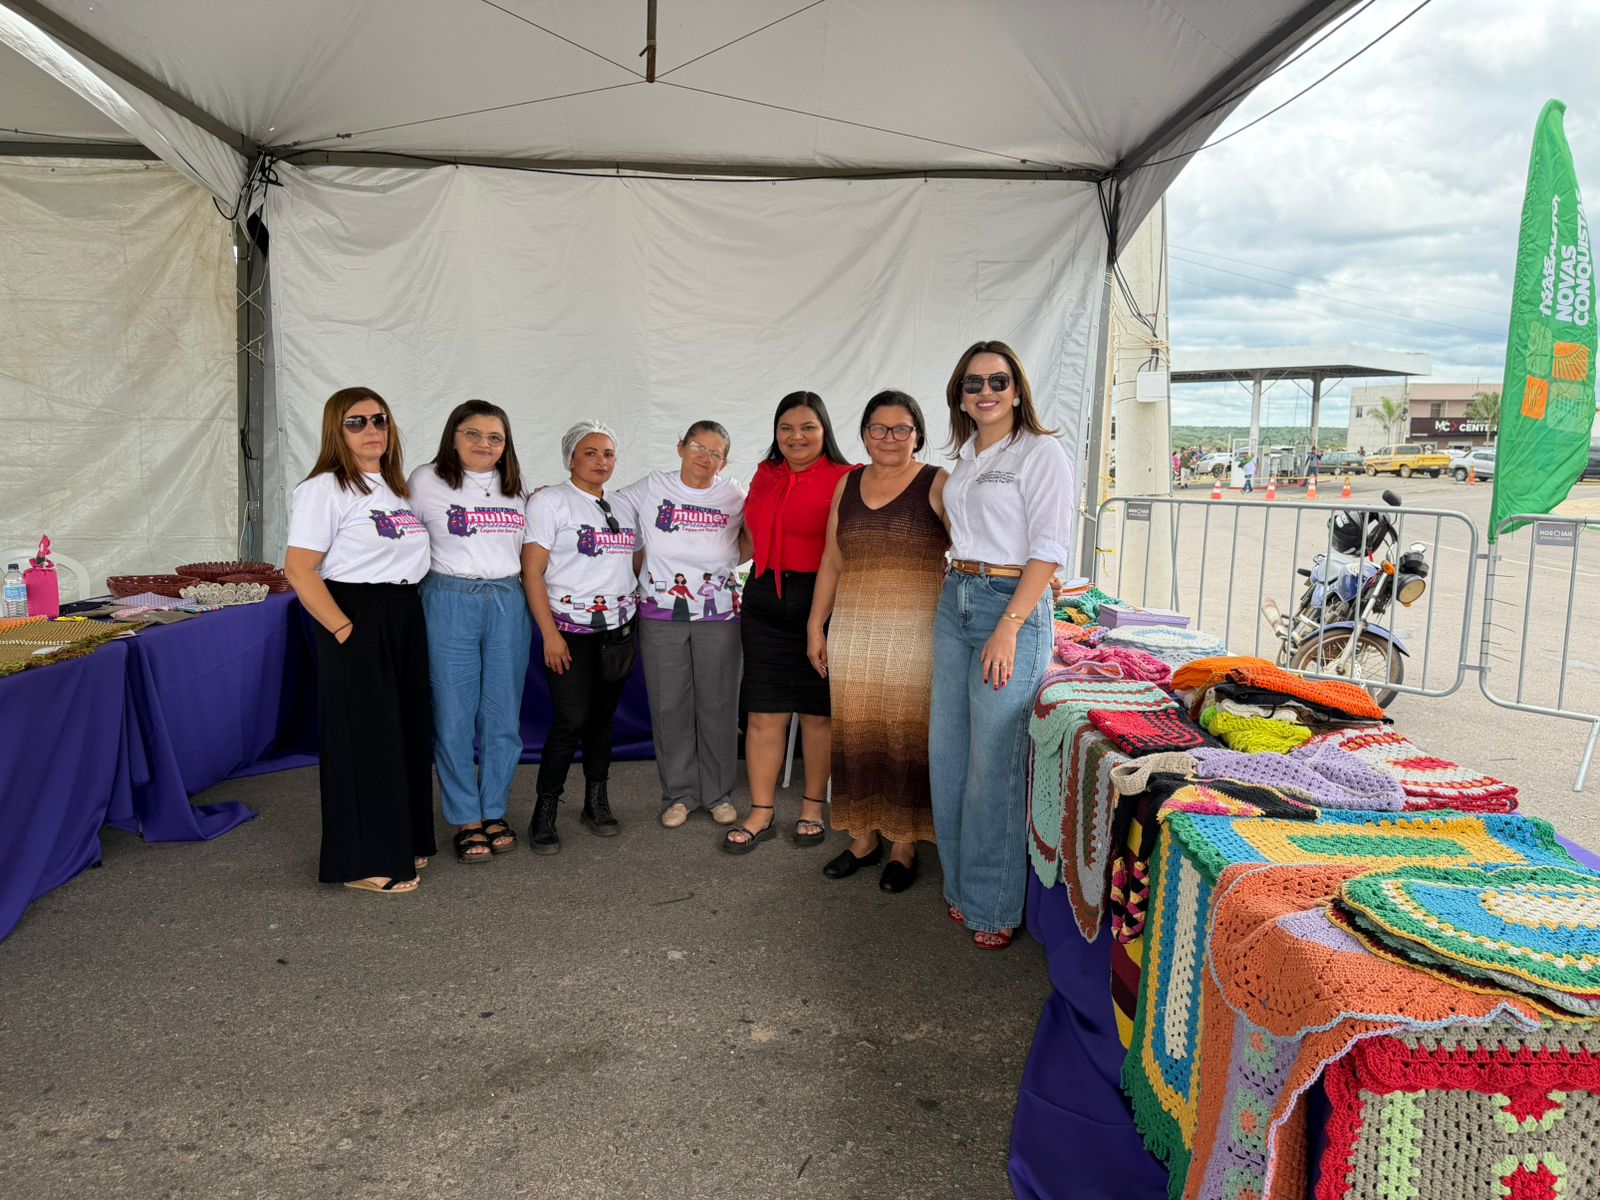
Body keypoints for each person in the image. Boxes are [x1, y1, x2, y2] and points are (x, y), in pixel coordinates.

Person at [929, 341, 1075, 949]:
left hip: (1007, 607)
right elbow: (961, 525)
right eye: (973, 383)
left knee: (992, 762)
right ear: (960, 396)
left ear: (1017, 390)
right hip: (956, 596)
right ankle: (962, 887)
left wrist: (1011, 625)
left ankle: (991, 905)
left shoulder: (1041, 452)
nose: (985, 392)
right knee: (949, 756)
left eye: (997, 381)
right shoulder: (964, 457)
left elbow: (1049, 547)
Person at [284, 387, 436, 894]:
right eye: (357, 422)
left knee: (405, 731)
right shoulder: (324, 488)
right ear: (336, 430)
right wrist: (344, 628)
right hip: (355, 612)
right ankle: (363, 861)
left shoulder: (395, 488)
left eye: (380, 419)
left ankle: (402, 839)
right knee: (365, 737)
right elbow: (299, 569)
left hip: (404, 611)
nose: (372, 430)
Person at [806, 391, 948, 892]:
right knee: (855, 733)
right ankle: (862, 839)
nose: (889, 438)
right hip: (854, 632)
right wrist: (816, 625)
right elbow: (832, 559)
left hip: (915, 635)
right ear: (864, 434)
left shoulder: (939, 483)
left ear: (918, 434)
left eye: (901, 428)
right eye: (878, 428)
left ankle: (905, 844)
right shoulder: (847, 483)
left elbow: (972, 549)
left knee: (905, 736)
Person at [724, 393, 856, 854]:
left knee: (818, 715)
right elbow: (745, 535)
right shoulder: (765, 473)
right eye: (786, 428)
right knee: (763, 713)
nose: (796, 437)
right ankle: (761, 811)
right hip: (763, 598)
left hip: (822, 602)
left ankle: (812, 807)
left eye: (807, 427)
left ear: (825, 430)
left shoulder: (847, 477)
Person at [409, 399, 531, 864]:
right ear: (453, 436)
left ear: (506, 444)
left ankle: (493, 808)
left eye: (495, 437)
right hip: (449, 598)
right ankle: (465, 816)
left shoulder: (515, 487)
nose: (484, 443)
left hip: (507, 599)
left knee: (502, 715)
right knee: (454, 715)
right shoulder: (427, 480)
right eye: (473, 434)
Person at [613, 422, 746, 830]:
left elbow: (755, 536)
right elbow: (602, 504)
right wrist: (552, 496)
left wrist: (726, 561)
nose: (705, 457)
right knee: (669, 705)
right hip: (661, 615)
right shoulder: (653, 486)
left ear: (725, 461)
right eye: (698, 447)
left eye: (716, 452)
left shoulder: (734, 494)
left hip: (719, 615)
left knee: (718, 704)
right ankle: (679, 794)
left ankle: (718, 793)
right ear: (680, 448)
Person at [522, 421, 639, 853]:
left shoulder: (623, 505)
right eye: (590, 453)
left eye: (608, 453)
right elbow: (532, 572)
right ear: (570, 458)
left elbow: (635, 559)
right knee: (570, 721)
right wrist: (549, 634)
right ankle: (545, 809)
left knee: (603, 720)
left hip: (618, 630)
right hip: (569, 633)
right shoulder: (550, 502)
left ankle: (596, 801)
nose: (601, 461)